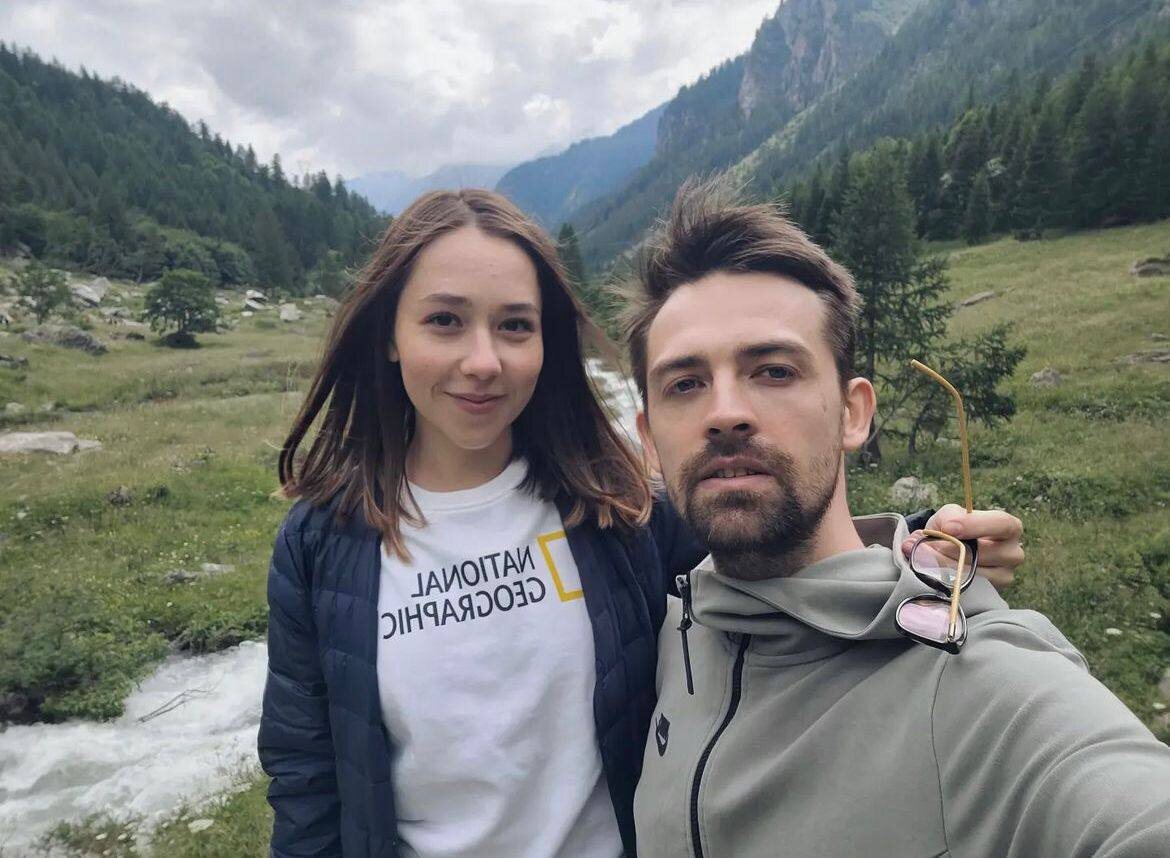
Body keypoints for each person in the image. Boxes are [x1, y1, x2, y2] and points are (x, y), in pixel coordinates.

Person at [257, 188, 1026, 857]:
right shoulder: (322, 544)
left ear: (547, 343)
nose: (484, 360)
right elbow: (306, 778)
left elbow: (779, 557)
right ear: (391, 337)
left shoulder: (614, 505)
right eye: (445, 321)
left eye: (516, 326)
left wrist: (918, 544)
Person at [625, 182, 1170, 857]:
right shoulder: (675, 631)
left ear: (854, 414)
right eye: (685, 384)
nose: (726, 412)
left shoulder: (976, 682)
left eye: (773, 371)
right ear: (649, 442)